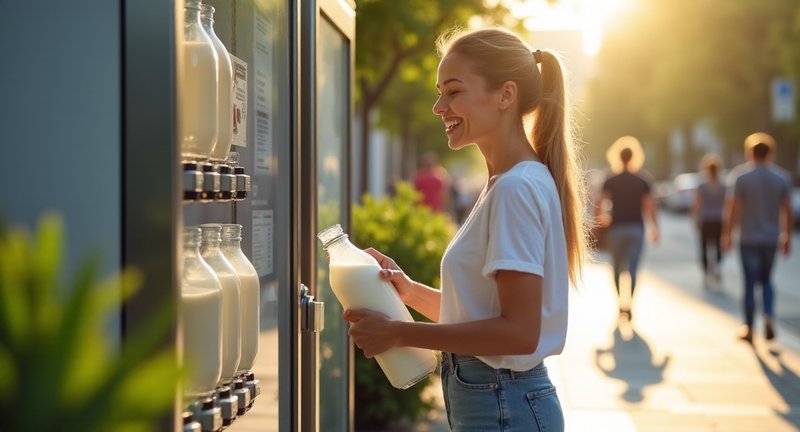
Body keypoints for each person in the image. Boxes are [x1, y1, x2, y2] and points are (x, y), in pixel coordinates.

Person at [343, 27, 588, 431]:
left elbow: (519, 334)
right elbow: (484, 316)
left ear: (505, 95)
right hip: (499, 402)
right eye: (440, 92)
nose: (439, 106)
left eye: (454, 92)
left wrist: (398, 333)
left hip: (502, 404)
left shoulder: (515, 188)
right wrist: (408, 290)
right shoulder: (509, 183)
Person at [722, 133, 792, 344]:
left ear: (750, 153)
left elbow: (733, 209)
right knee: (768, 280)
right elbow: (787, 210)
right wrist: (787, 235)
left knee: (750, 283)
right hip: (771, 238)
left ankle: (750, 328)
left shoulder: (741, 177)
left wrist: (727, 234)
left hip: (748, 238)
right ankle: (768, 316)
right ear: (770, 154)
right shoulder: (781, 178)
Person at [594, 136, 659, 321]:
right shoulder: (642, 180)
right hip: (636, 229)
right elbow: (649, 207)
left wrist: (601, 221)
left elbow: (600, 204)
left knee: (615, 268)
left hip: (616, 229)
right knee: (632, 268)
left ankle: (619, 303)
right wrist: (655, 228)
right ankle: (629, 302)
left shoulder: (610, 179)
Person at [692, 153, 726, 289]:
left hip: (706, 219)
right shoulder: (723, 186)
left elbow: (697, 204)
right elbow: (728, 205)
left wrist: (695, 219)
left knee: (704, 248)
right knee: (718, 246)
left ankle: (707, 274)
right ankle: (716, 266)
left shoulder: (702, 186)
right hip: (719, 219)